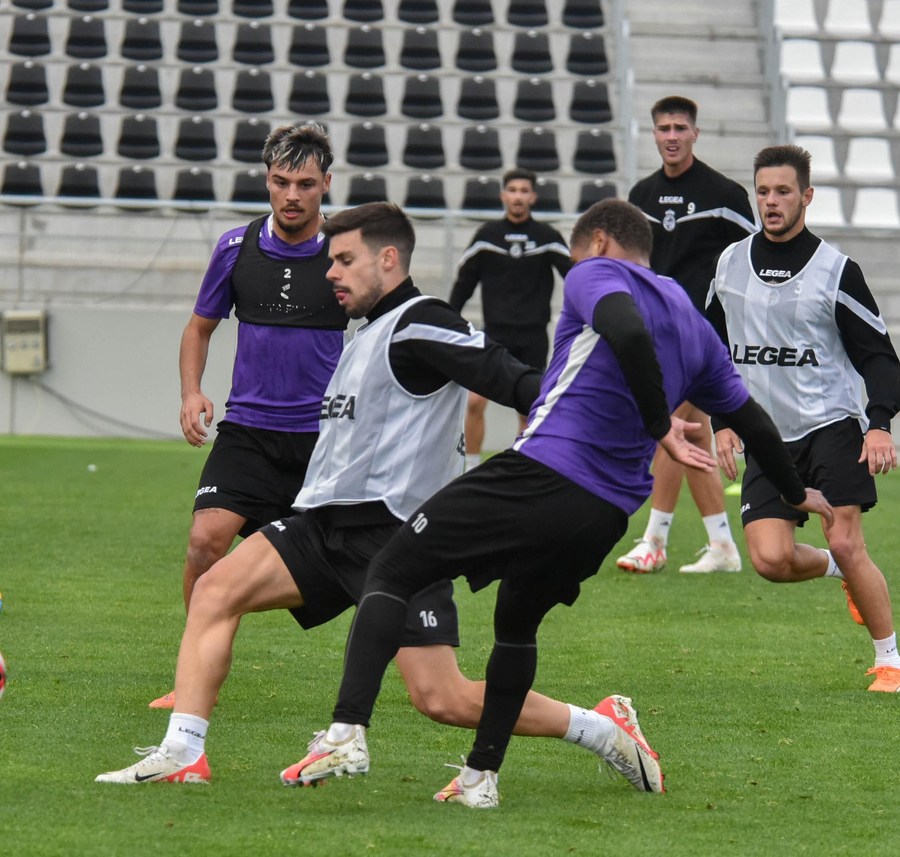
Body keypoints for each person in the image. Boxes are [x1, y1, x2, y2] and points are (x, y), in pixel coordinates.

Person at [97, 203, 663, 793]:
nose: (331, 273)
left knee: (442, 698)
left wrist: (580, 425)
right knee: (215, 590)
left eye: (344, 259)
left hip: (396, 540)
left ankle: (603, 728)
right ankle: (183, 752)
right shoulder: (368, 331)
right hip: (322, 526)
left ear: (387, 259)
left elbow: (513, 377)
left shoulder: (423, 322)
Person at [291, 199, 832, 809]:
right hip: (603, 515)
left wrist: (658, 424)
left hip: (542, 473)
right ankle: (479, 779)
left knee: (393, 566)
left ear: (598, 242)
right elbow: (754, 421)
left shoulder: (593, 272)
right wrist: (793, 492)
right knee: (516, 623)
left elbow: (624, 328)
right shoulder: (696, 323)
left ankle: (346, 733)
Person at [152, 124, 349, 710]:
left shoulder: (345, 251)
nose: (292, 195)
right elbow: (199, 328)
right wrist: (192, 393)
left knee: (353, 572)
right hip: (248, 434)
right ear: (266, 181)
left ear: (326, 185)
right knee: (204, 542)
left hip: (324, 441)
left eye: (306, 184)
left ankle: (415, 677)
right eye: (281, 182)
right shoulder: (236, 249)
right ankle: (196, 677)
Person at [706, 145, 900, 693]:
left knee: (847, 540)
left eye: (784, 192)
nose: (771, 202)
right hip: (764, 433)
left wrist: (880, 421)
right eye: (764, 191)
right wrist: (722, 419)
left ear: (807, 197)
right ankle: (837, 571)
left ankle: (890, 661)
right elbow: (710, 348)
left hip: (832, 426)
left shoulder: (837, 271)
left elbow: (878, 354)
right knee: (770, 561)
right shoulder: (728, 264)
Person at [618, 96, 759, 575]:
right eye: (663, 128)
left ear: (695, 133)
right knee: (691, 432)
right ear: (653, 134)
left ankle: (654, 540)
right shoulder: (639, 195)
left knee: (668, 427)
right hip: (655, 334)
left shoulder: (725, 194)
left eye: (680, 127)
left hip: (703, 334)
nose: (672, 135)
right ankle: (721, 545)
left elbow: (752, 264)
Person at [448, 169, 572, 470]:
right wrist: (449, 318)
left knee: (530, 410)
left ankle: (522, 469)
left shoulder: (548, 238)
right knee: (475, 402)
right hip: (494, 334)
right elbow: (464, 282)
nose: (518, 196)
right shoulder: (487, 236)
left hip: (533, 336)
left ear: (533, 196)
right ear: (504, 195)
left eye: (523, 190)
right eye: (512, 190)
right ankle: (471, 468)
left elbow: (576, 276)